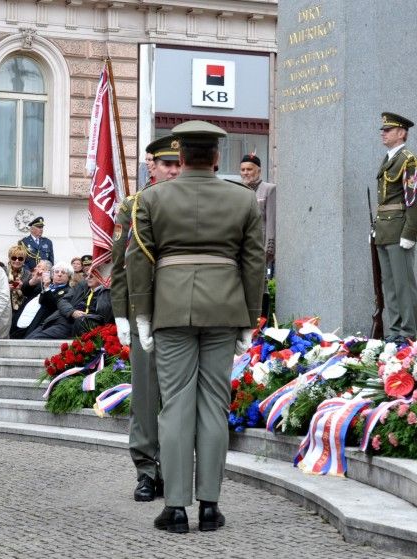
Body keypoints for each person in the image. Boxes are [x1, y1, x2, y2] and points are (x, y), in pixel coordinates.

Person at [126, 120, 264, 533]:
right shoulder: (243, 200)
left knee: (175, 408)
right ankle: (209, 506)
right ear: (217, 157)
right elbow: (254, 262)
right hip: (224, 309)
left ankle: (175, 509)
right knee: (213, 408)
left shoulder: (151, 199)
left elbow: (138, 260)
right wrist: (250, 318)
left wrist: (143, 315)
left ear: (180, 157)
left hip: (170, 309)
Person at [111, 134, 180, 503]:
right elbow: (120, 264)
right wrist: (122, 313)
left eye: (177, 164)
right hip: (145, 314)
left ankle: (174, 469)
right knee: (146, 396)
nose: (172, 170)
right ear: (151, 166)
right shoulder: (132, 205)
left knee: (178, 400)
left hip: (184, 312)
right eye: (166, 164)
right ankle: (146, 470)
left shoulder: (191, 203)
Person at [374, 112, 417, 344]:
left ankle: (408, 332)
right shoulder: (388, 159)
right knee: (390, 285)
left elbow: (414, 198)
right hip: (384, 230)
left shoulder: (408, 160)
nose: (383, 133)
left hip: (399, 230)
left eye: (388, 129)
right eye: (383, 130)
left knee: (403, 284)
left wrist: (410, 232)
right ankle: (394, 331)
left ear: (401, 133)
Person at [240, 153, 277, 278]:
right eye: (243, 169)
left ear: (259, 171)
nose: (245, 172)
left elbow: (271, 223)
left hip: (260, 251)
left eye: (249, 169)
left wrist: (268, 252)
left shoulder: (269, 189)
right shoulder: (238, 190)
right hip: (242, 250)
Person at [7, 244, 33, 327]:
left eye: (20, 258)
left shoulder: (28, 274)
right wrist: (7, 288)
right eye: (14, 258)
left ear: (24, 260)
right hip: (5, 308)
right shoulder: (2, 271)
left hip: (21, 309)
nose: (17, 261)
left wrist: (22, 288)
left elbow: (30, 294)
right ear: (10, 258)